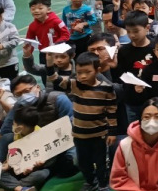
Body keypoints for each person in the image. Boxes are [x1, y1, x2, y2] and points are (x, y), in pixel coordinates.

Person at [50, 52, 118, 191]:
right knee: (83, 162)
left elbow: (111, 111)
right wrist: (49, 63)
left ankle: (103, 184)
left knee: (101, 162)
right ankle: (90, 182)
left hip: (99, 134)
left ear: (97, 70)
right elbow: (55, 79)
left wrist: (112, 132)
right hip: (79, 135)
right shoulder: (75, 84)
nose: (83, 76)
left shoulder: (106, 88)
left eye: (88, 72)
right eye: (79, 72)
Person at [109, 97, 158, 191]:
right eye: (147, 117)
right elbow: (118, 178)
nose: (151, 121)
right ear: (140, 119)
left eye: (157, 116)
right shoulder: (125, 145)